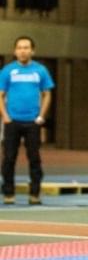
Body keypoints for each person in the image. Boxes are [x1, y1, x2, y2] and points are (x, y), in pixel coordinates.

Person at [0, 36, 55, 205]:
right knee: (9, 158)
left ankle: (35, 193)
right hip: (12, 121)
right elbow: (0, 95)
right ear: (15, 51)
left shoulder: (40, 71)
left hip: (33, 122)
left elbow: (47, 94)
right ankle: (8, 192)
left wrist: (41, 116)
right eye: (19, 48)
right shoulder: (8, 71)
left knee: (34, 158)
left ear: (32, 51)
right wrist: (5, 116)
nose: (23, 51)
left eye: (26, 48)